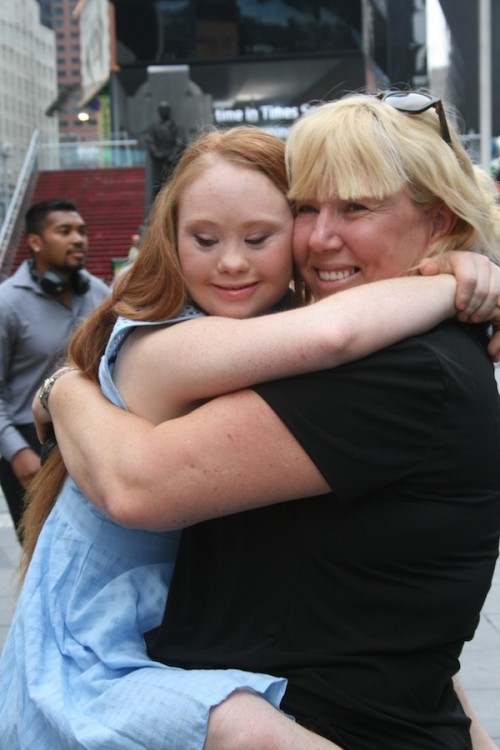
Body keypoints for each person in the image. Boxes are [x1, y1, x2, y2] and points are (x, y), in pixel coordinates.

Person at [2, 126, 498, 750]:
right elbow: (332, 335)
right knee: (244, 726)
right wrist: (450, 282)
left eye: (260, 237)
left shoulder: (277, 343)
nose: (232, 261)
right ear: (170, 240)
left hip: (156, 633)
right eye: (204, 240)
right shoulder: (160, 342)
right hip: (91, 652)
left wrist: (462, 263)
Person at [0, 197, 109, 540]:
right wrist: (17, 452)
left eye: (81, 231)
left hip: (88, 433)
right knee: (39, 558)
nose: (78, 239)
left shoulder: (100, 294)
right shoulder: (7, 304)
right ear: (34, 242)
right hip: (28, 443)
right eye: (65, 231)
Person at [145, 100, 183, 199]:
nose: (164, 112)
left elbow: (180, 142)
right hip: (159, 162)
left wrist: (173, 155)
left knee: (172, 185)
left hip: (171, 161)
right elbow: (150, 140)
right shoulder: (154, 127)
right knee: (158, 187)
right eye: (162, 110)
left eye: (165, 110)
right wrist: (156, 153)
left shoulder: (175, 126)